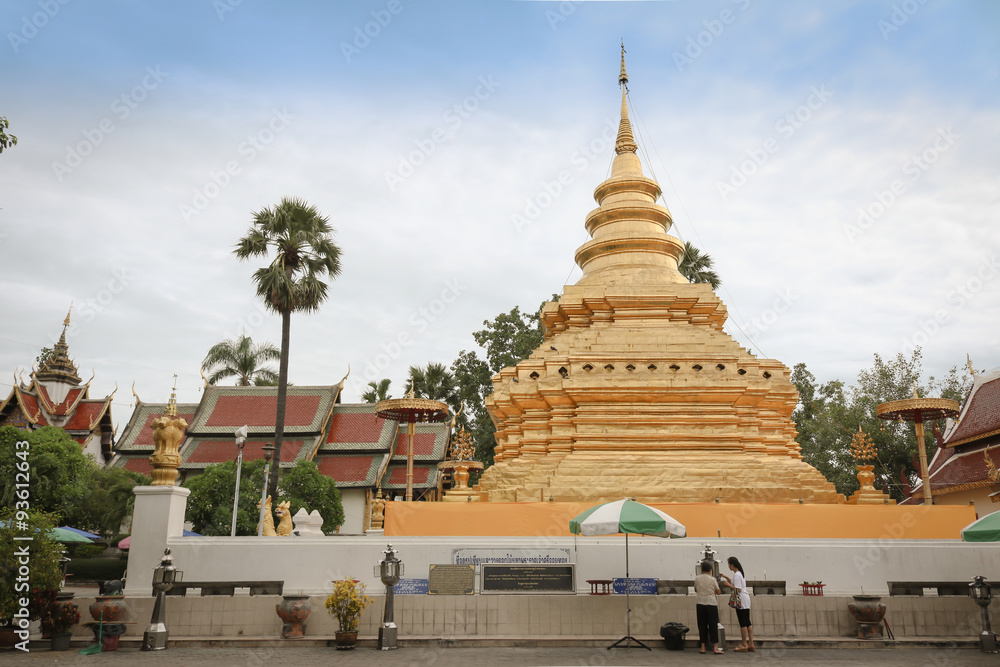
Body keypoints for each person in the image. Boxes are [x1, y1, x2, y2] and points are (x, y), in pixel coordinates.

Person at [720, 556, 755, 652]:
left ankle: (744, 644)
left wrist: (727, 585)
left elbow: (738, 589)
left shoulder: (737, 575)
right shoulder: (740, 573)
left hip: (741, 599)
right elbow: (736, 584)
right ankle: (751, 643)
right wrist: (726, 577)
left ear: (732, 565)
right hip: (746, 599)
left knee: (742, 622)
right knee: (747, 621)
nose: (728, 566)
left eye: (729, 565)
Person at [694, 560, 724, 654]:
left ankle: (703, 647)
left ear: (702, 569)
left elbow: (695, 589)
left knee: (702, 625)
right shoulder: (713, 579)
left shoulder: (697, 578)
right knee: (713, 625)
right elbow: (718, 591)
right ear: (710, 570)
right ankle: (715, 647)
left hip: (700, 603)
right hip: (711, 604)